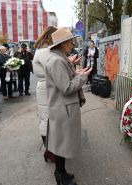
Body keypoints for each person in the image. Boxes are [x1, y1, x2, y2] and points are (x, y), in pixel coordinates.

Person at [44, 27, 92, 185]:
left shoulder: (58, 58)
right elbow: (66, 88)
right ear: (63, 44)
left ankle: (61, 173)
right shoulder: (57, 60)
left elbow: (63, 81)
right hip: (63, 108)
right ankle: (60, 176)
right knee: (62, 144)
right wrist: (83, 77)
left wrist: (76, 74)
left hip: (61, 107)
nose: (72, 44)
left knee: (61, 143)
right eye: (70, 42)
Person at [33, 26, 58, 163]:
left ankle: (49, 150)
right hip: (47, 87)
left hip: (46, 86)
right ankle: (49, 150)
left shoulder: (42, 49)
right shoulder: (46, 50)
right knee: (46, 118)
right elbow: (55, 68)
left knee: (46, 117)